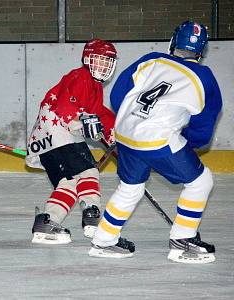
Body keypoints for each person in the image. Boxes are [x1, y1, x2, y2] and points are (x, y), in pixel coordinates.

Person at [89, 21, 222, 264]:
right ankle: (183, 241)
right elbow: (203, 126)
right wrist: (187, 143)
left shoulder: (151, 60)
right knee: (201, 181)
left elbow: (119, 93)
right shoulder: (204, 77)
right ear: (201, 51)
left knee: (131, 188)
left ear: (173, 42)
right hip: (158, 139)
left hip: (127, 133)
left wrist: (130, 122)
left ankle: (104, 240)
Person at [26, 39, 117, 244]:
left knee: (68, 184)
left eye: (107, 62)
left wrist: (113, 134)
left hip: (45, 142)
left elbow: (99, 115)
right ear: (87, 59)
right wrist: (80, 121)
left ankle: (47, 222)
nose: (103, 66)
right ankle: (92, 214)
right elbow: (66, 105)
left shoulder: (94, 87)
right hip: (58, 133)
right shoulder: (80, 77)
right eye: (99, 60)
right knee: (89, 171)